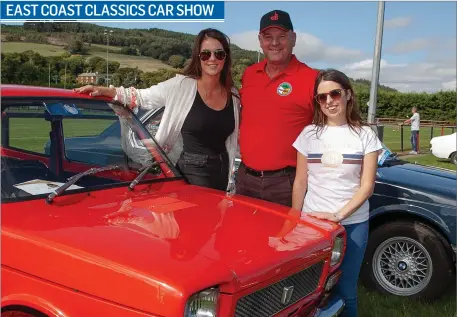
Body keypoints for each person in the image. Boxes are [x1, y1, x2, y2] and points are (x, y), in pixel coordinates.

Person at [74, 28, 241, 192]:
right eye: (206, 54)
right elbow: (141, 97)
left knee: (217, 218)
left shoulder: (232, 95)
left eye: (219, 53)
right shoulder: (181, 86)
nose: (212, 59)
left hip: (223, 170)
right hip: (192, 170)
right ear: (198, 58)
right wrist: (105, 90)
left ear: (225, 57)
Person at [290, 69, 382, 317]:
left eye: (335, 93)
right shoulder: (308, 135)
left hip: (352, 224)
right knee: (308, 292)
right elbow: (300, 182)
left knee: (346, 290)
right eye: (322, 97)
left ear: (348, 95)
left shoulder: (366, 136)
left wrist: (338, 215)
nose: (329, 101)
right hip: (313, 226)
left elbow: (367, 186)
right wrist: (295, 220)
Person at [236, 9, 319, 206]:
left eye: (281, 36)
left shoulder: (312, 78)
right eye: (268, 37)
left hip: (287, 183)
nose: (274, 43)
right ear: (259, 40)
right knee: (243, 236)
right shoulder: (249, 74)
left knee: (285, 237)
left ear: (294, 38)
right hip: (245, 179)